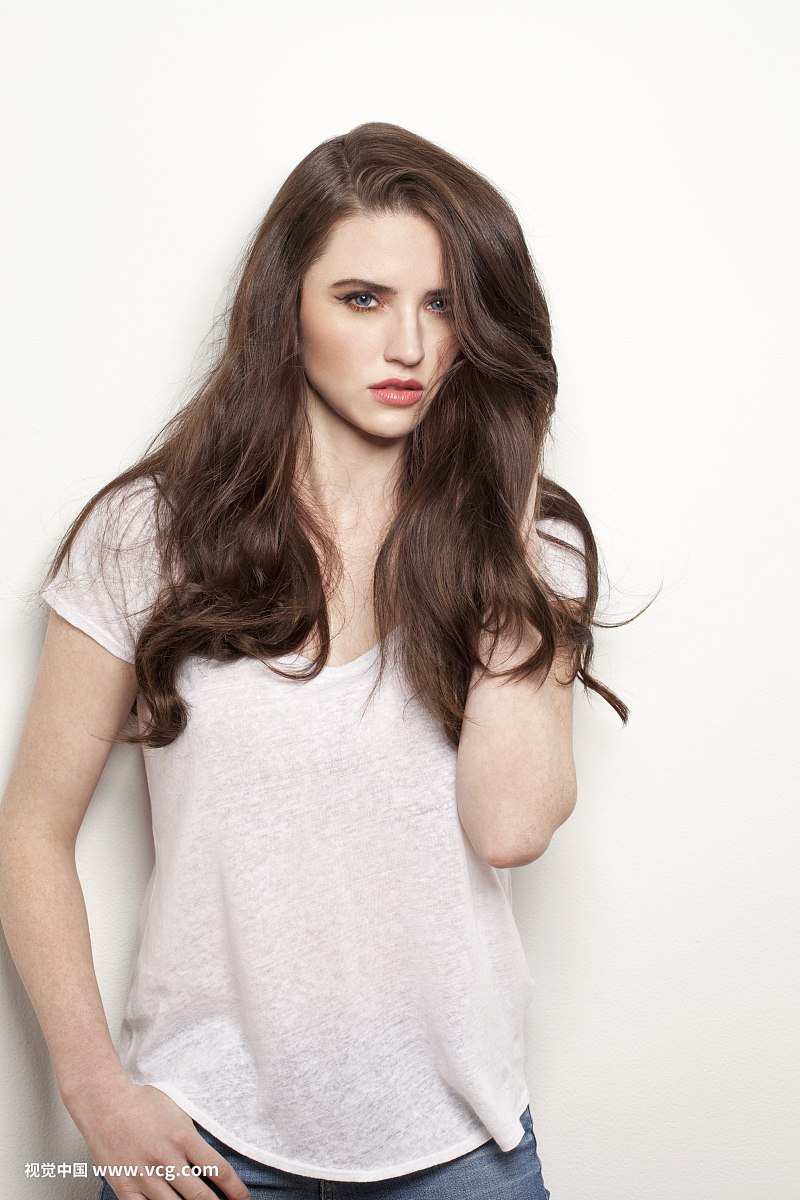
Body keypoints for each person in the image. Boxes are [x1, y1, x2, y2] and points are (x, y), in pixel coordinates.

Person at [0, 122, 627, 1199]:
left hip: (462, 1156)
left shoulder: (532, 548)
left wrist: (509, 505)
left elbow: (510, 826)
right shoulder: (145, 534)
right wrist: (94, 1089)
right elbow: (32, 825)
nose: (410, 348)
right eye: (362, 298)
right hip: (206, 1147)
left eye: (441, 304)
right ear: (284, 307)